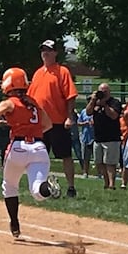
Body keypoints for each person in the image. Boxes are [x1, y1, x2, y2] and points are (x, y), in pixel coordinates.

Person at [0, 67, 61, 239]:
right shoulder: (33, 102)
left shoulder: (9, 103)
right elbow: (48, 125)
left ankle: (14, 223)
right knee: (38, 192)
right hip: (39, 147)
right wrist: (33, 130)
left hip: (18, 147)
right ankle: (49, 187)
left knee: (9, 186)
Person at [27, 40, 79, 197]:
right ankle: (42, 187)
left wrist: (69, 117)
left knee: (65, 155)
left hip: (57, 122)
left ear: (56, 53)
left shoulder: (62, 71)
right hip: (40, 124)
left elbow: (70, 96)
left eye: (49, 50)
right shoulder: (37, 73)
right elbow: (31, 98)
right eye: (43, 50)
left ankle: (71, 187)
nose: (45, 53)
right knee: (39, 156)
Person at [85, 83, 122, 190]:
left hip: (111, 138)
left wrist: (105, 104)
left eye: (105, 91)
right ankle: (106, 183)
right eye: (101, 91)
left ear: (109, 92)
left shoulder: (114, 102)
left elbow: (114, 115)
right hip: (98, 138)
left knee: (110, 163)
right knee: (99, 162)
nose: (103, 93)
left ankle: (112, 184)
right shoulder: (95, 102)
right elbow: (88, 112)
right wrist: (93, 101)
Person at [76, 106, 94, 177]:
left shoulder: (96, 111)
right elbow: (78, 123)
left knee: (98, 158)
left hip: (95, 137)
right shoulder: (83, 111)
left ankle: (100, 173)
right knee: (86, 157)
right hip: (86, 137)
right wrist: (85, 123)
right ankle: (85, 172)